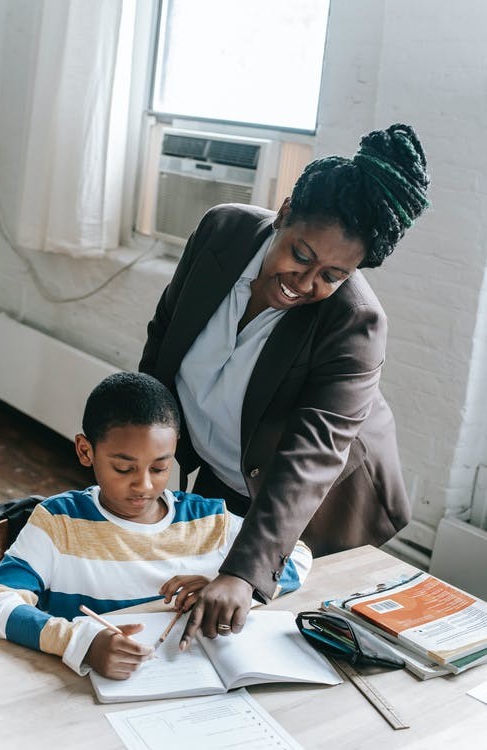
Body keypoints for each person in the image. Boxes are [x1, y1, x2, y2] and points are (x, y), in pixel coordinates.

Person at [139, 123, 430, 648]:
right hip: (225, 470)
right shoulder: (219, 233)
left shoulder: (355, 323)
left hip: (310, 509)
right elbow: (164, 341)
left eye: (333, 275)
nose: (305, 282)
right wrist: (140, 457)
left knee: (281, 651)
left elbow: (311, 455)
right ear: (286, 211)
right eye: (300, 255)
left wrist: (245, 573)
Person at [0, 372, 311, 679]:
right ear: (86, 451)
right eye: (123, 468)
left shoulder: (208, 518)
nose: (143, 485)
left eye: (159, 468)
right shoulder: (59, 521)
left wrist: (230, 585)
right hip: (86, 693)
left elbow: (296, 554)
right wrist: (80, 642)